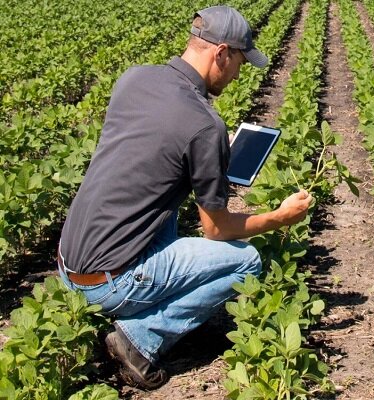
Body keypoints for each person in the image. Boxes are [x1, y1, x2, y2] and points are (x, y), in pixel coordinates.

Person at [56, 5, 312, 390]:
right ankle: (140, 338)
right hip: (108, 281)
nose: (239, 73)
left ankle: (136, 293)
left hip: (70, 261)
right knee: (246, 261)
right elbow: (216, 230)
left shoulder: (135, 78)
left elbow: (155, 147)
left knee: (166, 205)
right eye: (240, 61)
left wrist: (207, 155)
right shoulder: (204, 125)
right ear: (221, 53)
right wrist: (280, 216)